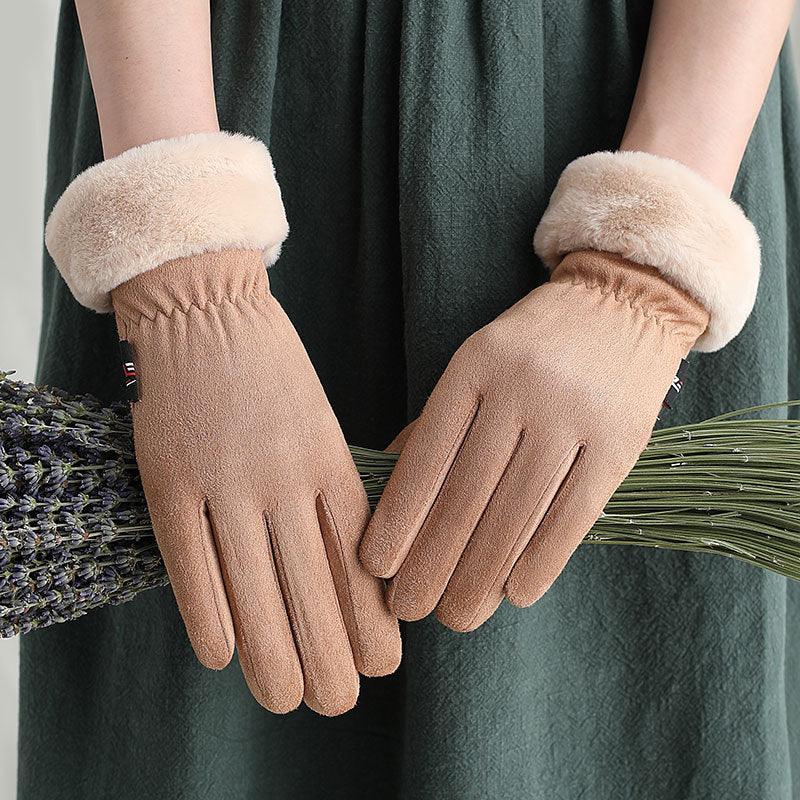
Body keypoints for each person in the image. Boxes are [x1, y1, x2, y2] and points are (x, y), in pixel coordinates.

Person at [19, 1, 800, 798]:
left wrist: (644, 279)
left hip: (662, 107)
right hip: (200, 105)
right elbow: (181, 257)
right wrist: (185, 280)